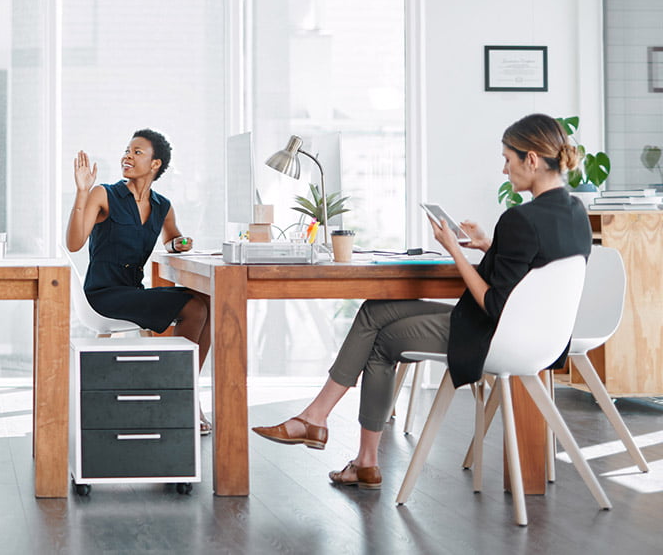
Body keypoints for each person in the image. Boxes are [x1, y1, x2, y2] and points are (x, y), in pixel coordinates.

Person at [252, 113, 592, 489]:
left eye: (508, 159)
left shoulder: (520, 218)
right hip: (543, 340)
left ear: (531, 159)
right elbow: (536, 270)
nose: (503, 169)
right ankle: (332, 434)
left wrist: (454, 250)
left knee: (379, 336)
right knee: (376, 310)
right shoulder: (576, 213)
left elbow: (493, 303)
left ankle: (334, 434)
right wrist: (485, 246)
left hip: (492, 337)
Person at [65, 129, 213, 434]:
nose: (127, 156)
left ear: (155, 163)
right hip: (103, 295)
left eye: (137, 152)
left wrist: (179, 243)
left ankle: (184, 389)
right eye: (127, 150)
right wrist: (81, 192)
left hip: (133, 293)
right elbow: (74, 243)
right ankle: (179, 393)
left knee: (210, 301)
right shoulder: (103, 194)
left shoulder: (162, 206)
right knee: (195, 309)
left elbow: (172, 239)